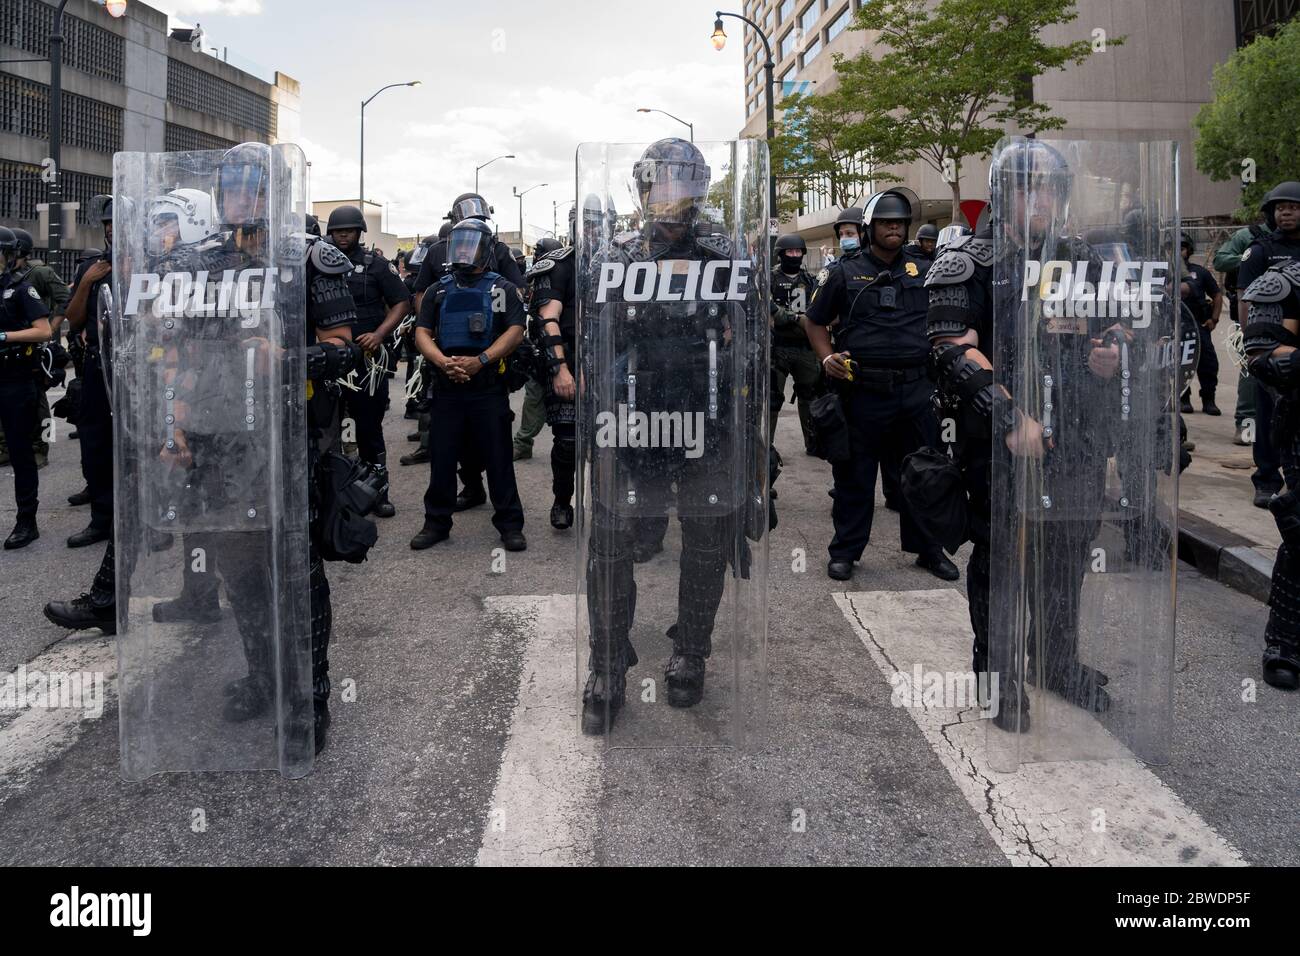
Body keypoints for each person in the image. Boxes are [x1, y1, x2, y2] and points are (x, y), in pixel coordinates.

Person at [925, 139, 1123, 728]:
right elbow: (949, 350)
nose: (1038, 202)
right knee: (1001, 561)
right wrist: (1012, 418)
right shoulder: (969, 261)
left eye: (1049, 190)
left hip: (1076, 438)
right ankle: (998, 677)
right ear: (1004, 195)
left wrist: (1105, 354)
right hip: (1000, 443)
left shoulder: (1082, 260)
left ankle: (1057, 662)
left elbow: (1105, 327)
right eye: (1026, 189)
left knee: (1065, 558)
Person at [578, 137, 766, 733]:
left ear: (699, 190)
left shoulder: (726, 253)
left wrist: (744, 399)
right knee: (610, 544)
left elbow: (757, 336)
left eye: (682, 185)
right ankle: (607, 665)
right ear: (642, 189)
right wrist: (599, 405)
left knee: (708, 542)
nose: (671, 197)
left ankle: (692, 652)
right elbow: (598, 341)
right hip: (633, 422)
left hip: (708, 421)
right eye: (661, 184)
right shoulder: (618, 255)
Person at [807, 194, 960, 583]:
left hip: (916, 390)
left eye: (900, 223)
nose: (894, 228)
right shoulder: (844, 272)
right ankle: (845, 551)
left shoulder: (924, 269)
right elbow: (814, 321)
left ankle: (929, 551)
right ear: (868, 228)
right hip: (863, 391)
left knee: (924, 474)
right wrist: (827, 358)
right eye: (885, 223)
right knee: (855, 477)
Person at [411, 217, 527, 551]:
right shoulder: (439, 289)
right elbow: (422, 331)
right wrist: (441, 361)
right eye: (459, 243)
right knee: (443, 456)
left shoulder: (501, 289)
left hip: (487, 386)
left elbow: (515, 330)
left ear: (487, 249)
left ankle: (510, 525)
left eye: (471, 243)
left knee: (499, 457)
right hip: (447, 385)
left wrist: (482, 361)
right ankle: (436, 523)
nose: (464, 250)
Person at [1240, 181, 1300, 691]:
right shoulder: (1272, 268)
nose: (1288, 214)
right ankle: (1284, 644)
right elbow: (1261, 352)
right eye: (1281, 205)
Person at [326, 204, 411, 519]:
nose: (342, 235)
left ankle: (377, 492)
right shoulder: (318, 263)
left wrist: (378, 334)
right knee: (331, 430)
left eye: (347, 230)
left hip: (368, 363)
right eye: (336, 230)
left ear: (359, 231)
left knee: (369, 428)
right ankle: (338, 494)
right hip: (330, 361)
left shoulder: (376, 265)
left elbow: (402, 303)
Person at [1238, 182, 1300, 509]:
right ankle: (1266, 479)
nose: (1286, 212)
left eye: (1292, 206)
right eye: (1280, 207)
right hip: (1271, 348)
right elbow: (1244, 297)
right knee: (1269, 416)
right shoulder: (1261, 250)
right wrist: (1253, 347)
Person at [60, 196, 116, 549]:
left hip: (136, 364)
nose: (110, 229)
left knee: (135, 446)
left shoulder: (148, 263)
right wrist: (86, 283)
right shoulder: (93, 266)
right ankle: (100, 521)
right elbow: (73, 319)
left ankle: (141, 523)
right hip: (98, 363)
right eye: (107, 224)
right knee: (95, 444)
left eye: (116, 223)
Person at [0, 225, 53, 549]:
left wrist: (5, 337)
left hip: (15, 379)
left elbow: (44, 330)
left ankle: (26, 520)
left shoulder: (21, 289)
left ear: (9, 256)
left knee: (20, 452)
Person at [0, 228, 69, 471]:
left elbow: (65, 298)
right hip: (13, 346)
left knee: (39, 403)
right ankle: (7, 447)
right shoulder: (5, 280)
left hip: (36, 344)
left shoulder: (38, 273)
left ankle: (42, 446)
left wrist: (52, 326)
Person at [526, 226, 578, 529]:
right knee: (568, 441)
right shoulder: (561, 264)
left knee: (616, 443)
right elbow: (547, 319)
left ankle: (609, 510)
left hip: (615, 363)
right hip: (567, 358)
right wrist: (561, 368)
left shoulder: (624, 259)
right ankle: (562, 501)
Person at [1215, 219, 1271, 448]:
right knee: (1250, 370)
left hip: (1290, 313)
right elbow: (1220, 260)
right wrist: (1250, 260)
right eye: (1281, 207)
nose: (1287, 213)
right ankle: (1246, 425)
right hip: (1254, 312)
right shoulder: (1248, 236)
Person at [769, 232, 822, 457]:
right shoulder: (769, 279)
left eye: (798, 251)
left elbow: (820, 309)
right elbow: (765, 306)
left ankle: (813, 443)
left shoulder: (811, 280)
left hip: (805, 348)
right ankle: (767, 446)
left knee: (810, 396)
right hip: (777, 347)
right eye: (789, 252)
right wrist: (792, 318)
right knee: (772, 399)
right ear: (780, 254)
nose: (794, 255)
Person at [1179, 235, 1223, 415]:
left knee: (1208, 364)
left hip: (1199, 325)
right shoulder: (1164, 271)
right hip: (1177, 327)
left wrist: (1214, 319)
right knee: (1181, 363)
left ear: (1188, 250)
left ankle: (1208, 399)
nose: (1178, 252)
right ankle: (1183, 398)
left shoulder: (1200, 272)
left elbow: (1217, 295)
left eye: (1181, 247)